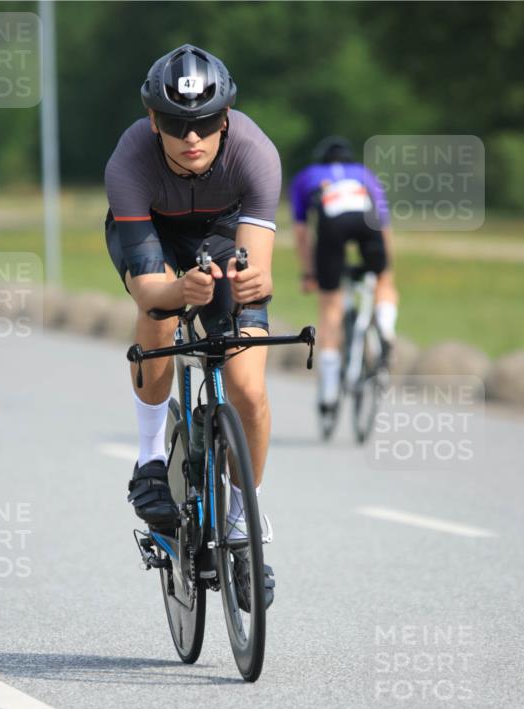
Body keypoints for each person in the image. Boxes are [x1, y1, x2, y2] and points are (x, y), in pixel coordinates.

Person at [104, 44, 281, 607]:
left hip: (224, 234)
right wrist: (180, 292)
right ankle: (151, 458)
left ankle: (239, 520)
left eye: (205, 121)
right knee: (158, 315)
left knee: (248, 386)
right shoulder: (129, 162)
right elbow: (148, 289)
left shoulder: (255, 154)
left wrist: (250, 287)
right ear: (153, 120)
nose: (192, 137)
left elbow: (259, 267)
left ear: (225, 116)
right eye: (178, 124)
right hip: (155, 233)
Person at [289, 136, 399, 412]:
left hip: (331, 225)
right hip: (367, 222)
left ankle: (328, 393)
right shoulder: (364, 174)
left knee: (330, 307)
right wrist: (387, 270)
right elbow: (384, 226)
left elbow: (302, 233)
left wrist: (309, 273)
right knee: (384, 282)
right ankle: (385, 328)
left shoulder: (307, 176)